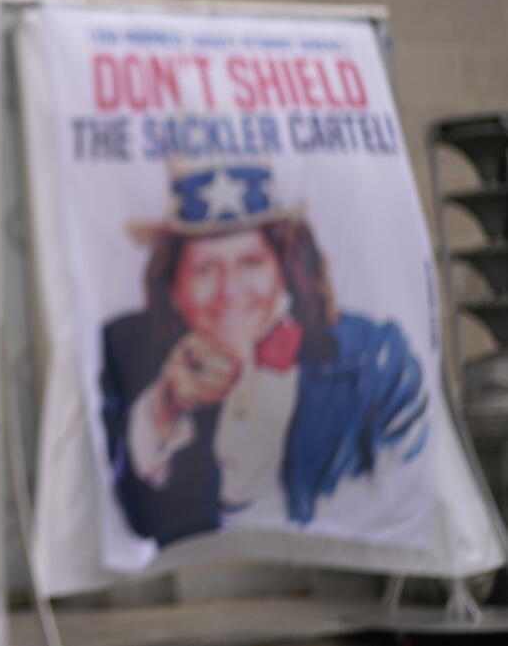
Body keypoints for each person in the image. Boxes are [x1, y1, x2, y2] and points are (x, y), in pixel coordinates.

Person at [101, 161, 428, 547]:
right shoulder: (124, 346)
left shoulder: (373, 355)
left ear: (284, 269)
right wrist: (166, 405)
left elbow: (405, 498)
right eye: (205, 269)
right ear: (172, 287)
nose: (230, 291)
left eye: (251, 263)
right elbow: (128, 519)